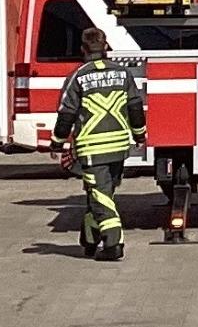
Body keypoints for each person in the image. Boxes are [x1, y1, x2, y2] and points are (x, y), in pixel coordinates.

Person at [54, 44, 146, 261]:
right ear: (105, 47)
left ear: (83, 49)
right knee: (103, 192)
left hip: (93, 148)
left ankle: (113, 243)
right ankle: (90, 238)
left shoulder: (78, 76)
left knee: (100, 195)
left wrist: (57, 143)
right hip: (119, 146)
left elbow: (67, 113)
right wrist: (140, 136)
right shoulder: (123, 73)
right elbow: (135, 106)